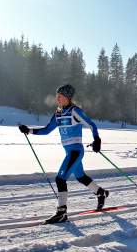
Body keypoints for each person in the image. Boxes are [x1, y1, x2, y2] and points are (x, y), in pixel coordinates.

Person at [19, 84, 109, 224]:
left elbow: (92, 124)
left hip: (75, 151)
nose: (57, 98)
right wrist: (29, 130)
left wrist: (97, 139)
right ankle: (101, 193)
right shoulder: (58, 113)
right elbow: (47, 130)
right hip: (69, 151)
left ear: (67, 97)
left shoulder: (75, 111)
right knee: (81, 177)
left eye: (60, 96)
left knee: (60, 179)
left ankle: (61, 212)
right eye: (57, 96)